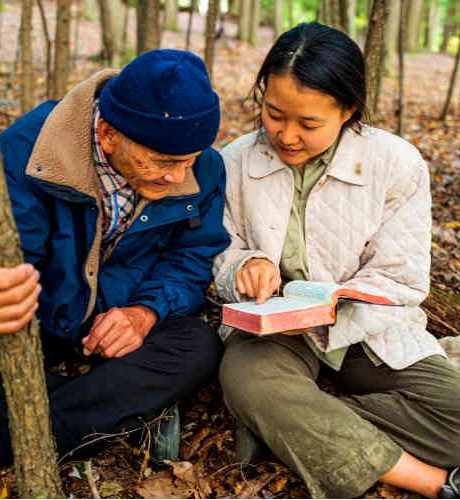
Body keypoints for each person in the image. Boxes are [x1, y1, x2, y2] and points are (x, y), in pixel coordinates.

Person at [0, 49, 230, 486]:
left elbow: (191, 257)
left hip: (112, 335)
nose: (180, 178)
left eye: (190, 160)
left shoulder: (205, 168)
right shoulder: (29, 153)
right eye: (163, 162)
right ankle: (100, 415)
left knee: (196, 345)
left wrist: (143, 314)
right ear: (106, 134)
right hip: (27, 332)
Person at [213, 22, 460, 499]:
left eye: (308, 124)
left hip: (368, 331)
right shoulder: (235, 161)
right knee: (248, 381)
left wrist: (335, 300)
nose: (286, 135)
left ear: (348, 110)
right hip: (273, 334)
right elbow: (221, 247)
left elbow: (403, 276)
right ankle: (433, 482)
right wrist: (244, 266)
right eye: (273, 114)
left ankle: (293, 426)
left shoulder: (397, 163)